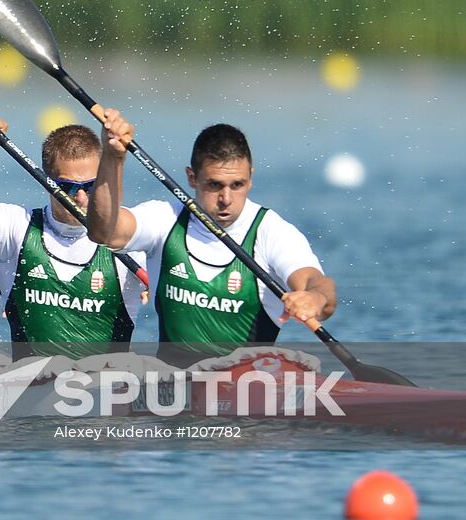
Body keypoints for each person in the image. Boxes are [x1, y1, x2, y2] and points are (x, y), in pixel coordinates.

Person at [85, 110, 337, 365]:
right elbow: (103, 232)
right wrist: (114, 158)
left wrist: (314, 298)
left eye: (237, 185)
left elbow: (317, 284)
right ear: (192, 178)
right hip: (173, 383)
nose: (226, 199)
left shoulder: (271, 232)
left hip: (247, 385)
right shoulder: (166, 219)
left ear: (250, 178)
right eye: (215, 185)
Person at [0, 108, 144, 359]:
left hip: (106, 382)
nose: (81, 197)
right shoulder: (16, 228)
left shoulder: (132, 238)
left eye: (90, 185)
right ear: (47, 183)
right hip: (30, 381)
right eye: (68, 187)